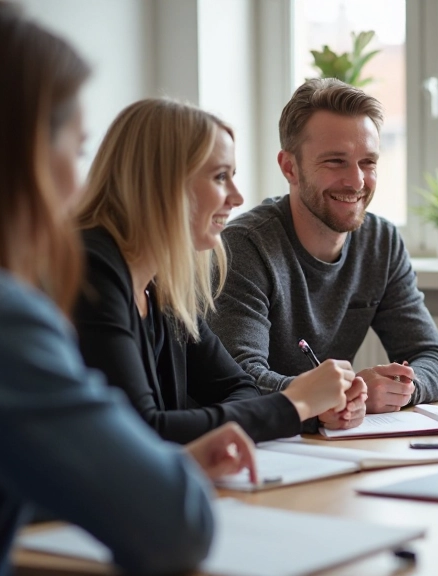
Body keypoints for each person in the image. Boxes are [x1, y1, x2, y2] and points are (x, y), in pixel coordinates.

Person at [0, 3, 256, 574]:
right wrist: (156, 469)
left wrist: (144, 461)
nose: (79, 184)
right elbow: (176, 527)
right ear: (21, 151)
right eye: (78, 150)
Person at [73, 98, 364, 443]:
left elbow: (238, 388)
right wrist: (297, 403)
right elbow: (142, 433)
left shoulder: (162, 283)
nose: (237, 198)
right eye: (220, 177)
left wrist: (307, 409)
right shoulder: (91, 273)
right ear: (163, 182)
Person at [212, 78, 438, 419]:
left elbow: (432, 357)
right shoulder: (246, 247)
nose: (356, 181)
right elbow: (241, 380)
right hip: (254, 443)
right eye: (336, 161)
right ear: (289, 167)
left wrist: (402, 387)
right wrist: (339, 395)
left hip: (332, 441)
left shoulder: (381, 242)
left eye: (368, 162)